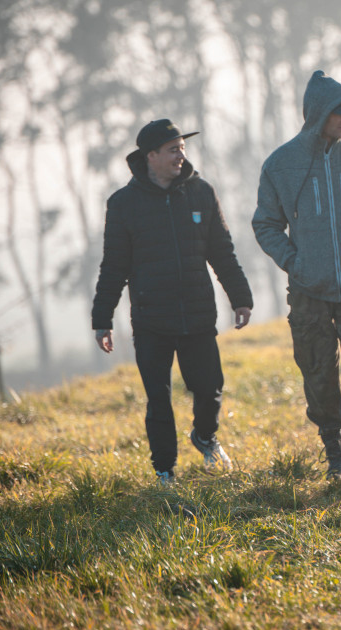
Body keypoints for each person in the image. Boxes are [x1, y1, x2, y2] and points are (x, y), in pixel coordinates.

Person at [252, 70, 341, 486]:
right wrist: (296, 263)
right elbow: (265, 225)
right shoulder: (281, 164)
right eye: (340, 113)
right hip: (308, 290)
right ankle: (334, 450)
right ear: (318, 114)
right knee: (317, 371)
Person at [92, 119, 254, 485]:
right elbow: (113, 266)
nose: (181, 155)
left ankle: (205, 437)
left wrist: (240, 298)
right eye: (172, 149)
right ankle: (165, 469)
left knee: (210, 389)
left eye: (182, 148)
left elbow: (222, 252)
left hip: (198, 315)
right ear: (150, 157)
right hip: (151, 322)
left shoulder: (201, 193)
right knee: (159, 400)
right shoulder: (122, 204)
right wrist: (102, 319)